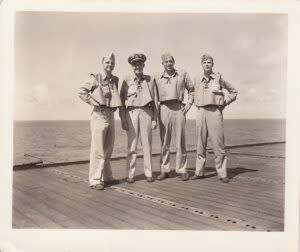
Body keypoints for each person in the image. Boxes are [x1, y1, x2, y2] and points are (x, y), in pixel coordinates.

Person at [78, 53, 122, 190]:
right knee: (98, 149)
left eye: (112, 63)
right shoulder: (95, 77)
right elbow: (82, 92)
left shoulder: (115, 79)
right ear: (103, 63)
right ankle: (95, 180)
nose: (110, 65)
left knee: (108, 148)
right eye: (108, 62)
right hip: (99, 114)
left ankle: (107, 177)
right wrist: (94, 102)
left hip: (110, 114)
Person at [192, 54, 238, 183]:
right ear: (201, 64)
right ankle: (199, 172)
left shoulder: (218, 77)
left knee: (218, 144)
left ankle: (222, 173)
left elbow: (233, 91)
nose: (207, 64)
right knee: (200, 144)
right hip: (201, 111)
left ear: (213, 64)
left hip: (215, 111)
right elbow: (191, 92)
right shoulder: (196, 79)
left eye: (209, 62)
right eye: (205, 62)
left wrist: (225, 102)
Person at [154, 53, 194, 181]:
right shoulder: (157, 77)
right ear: (162, 63)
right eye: (166, 61)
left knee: (180, 141)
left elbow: (191, 90)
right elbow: (154, 96)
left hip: (178, 108)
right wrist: (155, 115)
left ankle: (182, 169)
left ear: (174, 62)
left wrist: (188, 104)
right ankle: (164, 169)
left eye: (171, 61)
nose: (169, 63)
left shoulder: (182, 74)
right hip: (164, 109)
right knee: (165, 142)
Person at [119, 53, 158, 183]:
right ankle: (130, 174)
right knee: (132, 145)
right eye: (135, 64)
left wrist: (154, 119)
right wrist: (123, 119)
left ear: (143, 65)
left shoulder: (150, 80)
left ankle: (149, 173)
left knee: (147, 144)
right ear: (132, 66)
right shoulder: (126, 81)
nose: (137, 66)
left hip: (147, 112)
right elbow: (121, 102)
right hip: (132, 114)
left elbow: (156, 101)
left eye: (139, 64)